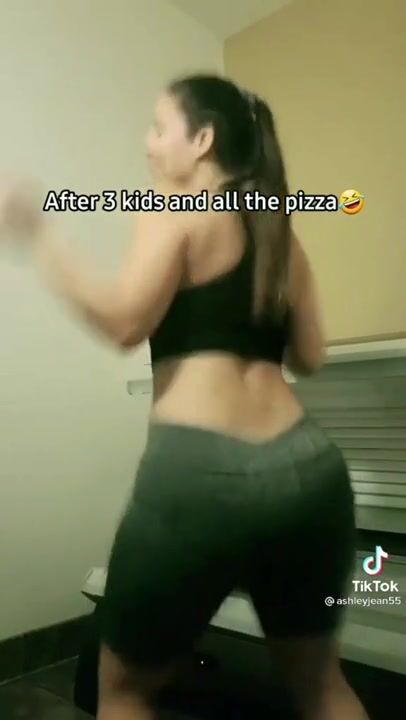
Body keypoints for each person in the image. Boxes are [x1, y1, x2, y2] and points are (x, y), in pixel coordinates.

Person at [0, 73, 368, 720]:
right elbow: (310, 357)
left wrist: (41, 239)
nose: (148, 144)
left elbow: (124, 323)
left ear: (202, 141)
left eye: (159, 128)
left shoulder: (174, 206)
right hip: (308, 470)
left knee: (125, 691)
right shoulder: (281, 232)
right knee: (320, 687)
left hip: (199, 474)